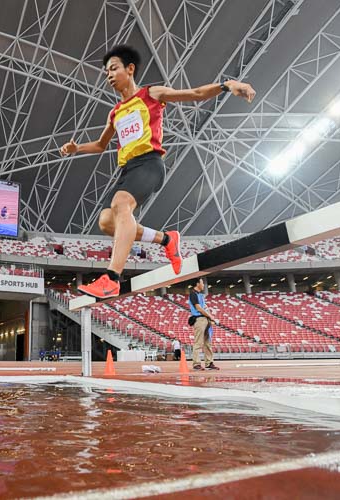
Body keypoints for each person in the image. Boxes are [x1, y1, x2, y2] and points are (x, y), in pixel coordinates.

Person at [60, 45, 255, 298]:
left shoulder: (151, 94)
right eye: (106, 71)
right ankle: (167, 240)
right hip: (128, 169)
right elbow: (101, 144)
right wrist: (77, 148)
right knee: (108, 222)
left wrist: (226, 85)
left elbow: (194, 93)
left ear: (130, 69)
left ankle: (112, 278)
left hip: (150, 163)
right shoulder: (115, 113)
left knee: (121, 205)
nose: (108, 74)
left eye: (114, 68)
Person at [188, 278, 219, 370]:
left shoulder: (200, 295)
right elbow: (199, 308)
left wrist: (210, 318)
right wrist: (210, 316)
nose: (203, 285)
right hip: (199, 319)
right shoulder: (193, 294)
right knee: (198, 342)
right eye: (202, 283)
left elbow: (204, 307)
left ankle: (209, 362)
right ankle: (196, 363)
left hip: (205, 319)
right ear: (197, 284)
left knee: (208, 343)